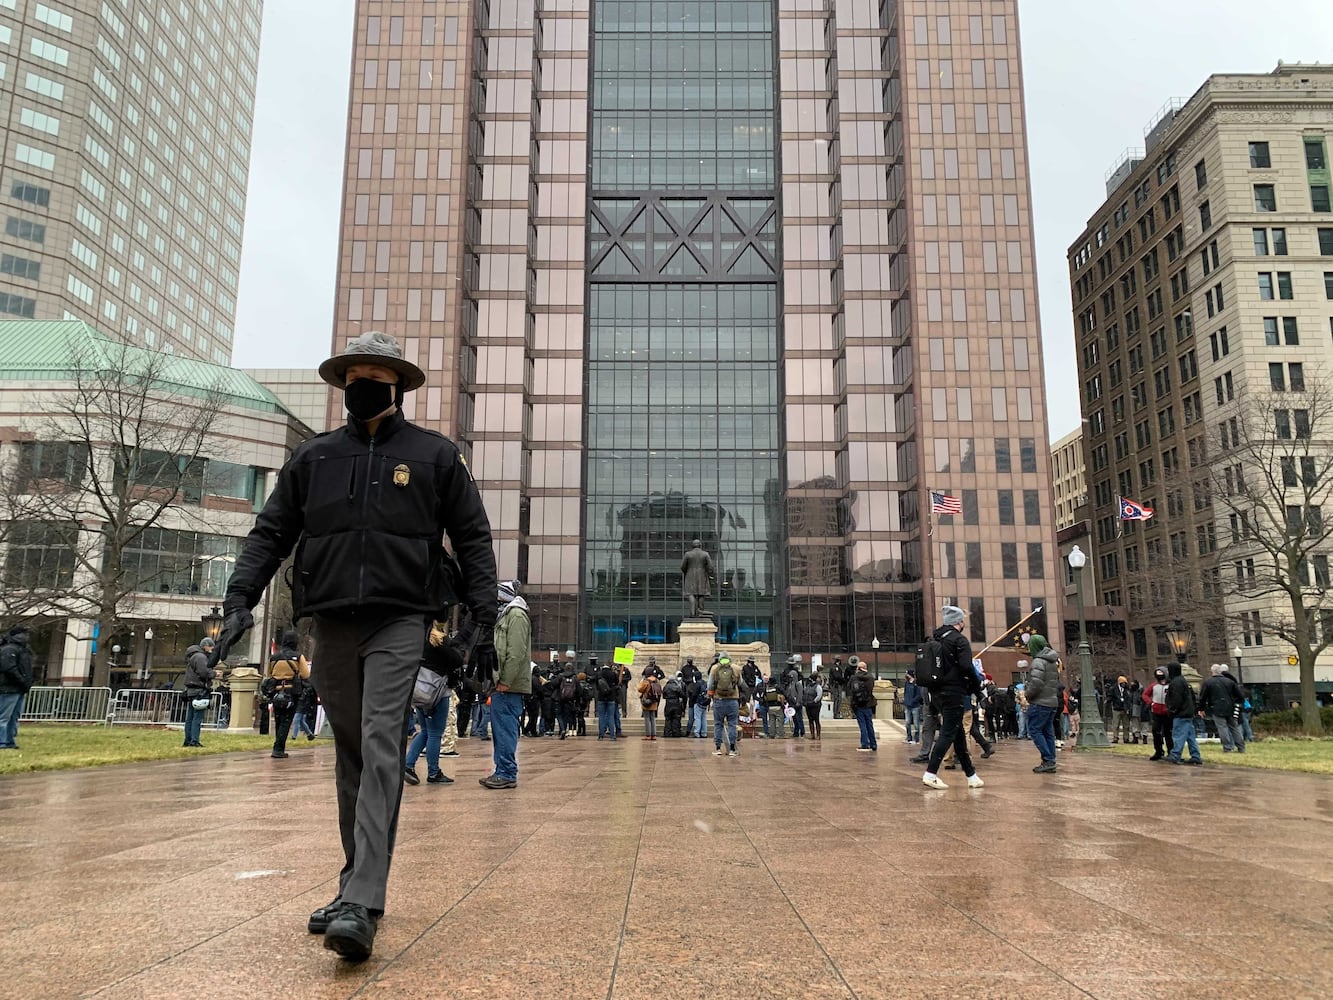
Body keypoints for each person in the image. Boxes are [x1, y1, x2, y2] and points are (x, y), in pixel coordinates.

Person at [215, 331, 499, 962]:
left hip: (401, 617)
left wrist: (482, 621)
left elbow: (473, 538)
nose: (361, 388)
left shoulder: (434, 456)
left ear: (397, 385)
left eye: (374, 377)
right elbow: (270, 533)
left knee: (380, 742)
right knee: (350, 753)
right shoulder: (314, 459)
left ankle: (364, 899)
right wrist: (239, 600)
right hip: (331, 621)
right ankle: (354, 885)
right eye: (353, 378)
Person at [922, 607, 984, 790]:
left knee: (957, 735)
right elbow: (966, 667)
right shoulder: (959, 640)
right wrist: (976, 685)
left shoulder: (935, 639)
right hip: (954, 692)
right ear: (959, 622)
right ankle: (930, 773)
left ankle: (971, 775)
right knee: (949, 733)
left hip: (937, 693)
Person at [482, 580, 529, 788]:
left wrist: (505, 681)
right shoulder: (507, 615)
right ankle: (502, 770)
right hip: (502, 683)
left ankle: (507, 772)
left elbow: (515, 653)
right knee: (500, 730)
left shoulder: (516, 615)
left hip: (508, 685)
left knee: (505, 730)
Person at [404, 619, 462, 785]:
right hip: (438, 693)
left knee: (425, 731)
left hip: (419, 692)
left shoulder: (417, 639)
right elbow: (457, 660)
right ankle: (434, 772)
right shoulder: (440, 640)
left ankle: (408, 765)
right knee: (435, 733)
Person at [264, 629, 310, 759]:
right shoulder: (298, 656)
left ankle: (279, 747)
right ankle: (278, 749)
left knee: (279, 719)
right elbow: (306, 674)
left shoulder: (274, 657)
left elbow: (269, 674)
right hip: (291, 692)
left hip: (276, 692)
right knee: (286, 720)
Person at [1023, 635, 1062, 774]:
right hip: (1051, 702)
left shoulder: (1038, 661)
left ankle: (1047, 759)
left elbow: (1036, 683)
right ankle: (1050, 760)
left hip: (1040, 702)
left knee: (1034, 729)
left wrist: (1027, 694)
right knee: (1048, 732)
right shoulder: (1052, 661)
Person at [0, 625, 35, 750]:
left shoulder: (17, 649)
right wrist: (23, 681)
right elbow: (9, 669)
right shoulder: (10, 650)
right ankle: (3, 741)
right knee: (4, 717)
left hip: (16, 688)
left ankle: (8, 741)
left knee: (12, 717)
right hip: (9, 688)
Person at [1199, 663, 1246, 753]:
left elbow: (1203, 697)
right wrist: (1235, 703)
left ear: (1212, 671)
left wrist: (1201, 709)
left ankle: (1227, 747)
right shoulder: (1229, 681)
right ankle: (1241, 747)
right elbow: (1240, 696)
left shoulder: (1208, 682)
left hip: (1216, 708)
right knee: (1234, 727)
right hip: (1230, 707)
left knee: (1222, 728)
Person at [182, 637, 217, 748]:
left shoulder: (193, 656)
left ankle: (188, 740)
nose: (212, 649)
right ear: (205, 646)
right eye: (210, 646)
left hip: (191, 690)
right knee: (197, 717)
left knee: (190, 717)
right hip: (199, 690)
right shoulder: (201, 657)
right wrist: (215, 674)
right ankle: (194, 740)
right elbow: (203, 673)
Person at [1166, 663, 1203, 765]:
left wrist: (1172, 710)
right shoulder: (1182, 681)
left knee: (1178, 734)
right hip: (1187, 712)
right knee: (1190, 736)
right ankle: (1195, 756)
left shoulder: (1176, 682)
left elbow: (1176, 699)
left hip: (1181, 713)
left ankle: (1175, 754)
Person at [709, 654, 741, 756]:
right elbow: (741, 683)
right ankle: (732, 749)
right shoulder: (736, 668)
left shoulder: (714, 668)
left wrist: (710, 696)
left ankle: (718, 748)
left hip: (719, 700)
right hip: (733, 700)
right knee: (732, 724)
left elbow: (710, 685)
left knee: (718, 724)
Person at [1142, 667, 1173, 761]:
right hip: (1156, 712)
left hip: (1167, 713)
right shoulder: (1154, 685)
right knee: (1156, 732)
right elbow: (1145, 694)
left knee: (1168, 733)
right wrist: (1151, 703)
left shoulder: (1171, 685)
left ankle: (1171, 751)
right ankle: (1158, 751)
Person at [848, 657, 877, 752]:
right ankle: (873, 744)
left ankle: (864, 744)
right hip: (868, 704)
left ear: (858, 668)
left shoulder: (854, 677)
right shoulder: (870, 677)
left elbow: (850, 688)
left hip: (858, 704)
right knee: (869, 724)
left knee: (862, 725)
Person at [594, 657, 618, 740]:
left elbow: (597, 686)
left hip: (601, 697)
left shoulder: (599, 674)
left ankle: (601, 735)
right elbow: (616, 684)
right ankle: (612, 735)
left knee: (601, 717)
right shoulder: (613, 673)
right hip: (611, 697)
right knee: (611, 716)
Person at [638, 668, 662, 741]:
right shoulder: (657, 680)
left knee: (647, 719)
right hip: (654, 701)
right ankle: (653, 735)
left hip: (647, 701)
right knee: (653, 719)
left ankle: (648, 735)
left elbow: (640, 689)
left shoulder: (646, 681)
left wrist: (641, 682)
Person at [1107, 675, 1132, 743]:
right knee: (1116, 725)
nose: (1124, 684)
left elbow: (1129, 699)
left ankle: (1126, 738)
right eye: (1123, 683)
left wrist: (1128, 708)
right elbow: (1110, 697)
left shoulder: (1127, 690)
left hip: (1124, 709)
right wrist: (1108, 701)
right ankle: (1115, 738)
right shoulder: (1113, 689)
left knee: (1126, 725)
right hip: (1116, 709)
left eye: (1125, 683)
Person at [901, 668, 922, 743]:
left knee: (916, 723)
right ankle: (908, 737)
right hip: (907, 706)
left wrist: (912, 701)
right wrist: (905, 700)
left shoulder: (916, 684)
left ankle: (916, 739)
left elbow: (919, 695)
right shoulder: (907, 683)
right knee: (907, 722)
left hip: (915, 706)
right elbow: (905, 693)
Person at [662, 672, 686, 737]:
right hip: (676, 703)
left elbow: (663, 696)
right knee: (676, 718)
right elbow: (683, 695)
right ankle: (676, 733)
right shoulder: (677, 687)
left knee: (668, 719)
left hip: (668, 703)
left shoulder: (666, 687)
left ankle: (667, 733)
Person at [804, 667, 823, 740]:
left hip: (815, 706)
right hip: (808, 705)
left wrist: (814, 701)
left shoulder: (818, 686)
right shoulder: (808, 686)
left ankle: (818, 735)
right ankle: (812, 734)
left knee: (816, 720)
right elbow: (805, 693)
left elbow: (819, 695)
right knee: (810, 720)